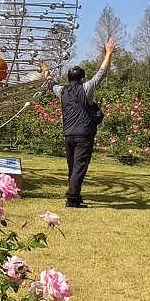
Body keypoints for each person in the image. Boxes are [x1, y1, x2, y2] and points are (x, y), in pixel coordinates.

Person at [40, 37, 115, 208]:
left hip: (68, 134)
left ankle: (76, 195)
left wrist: (45, 69)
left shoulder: (63, 91)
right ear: (82, 79)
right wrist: (109, 53)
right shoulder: (86, 88)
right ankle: (72, 199)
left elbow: (50, 83)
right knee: (80, 166)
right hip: (83, 134)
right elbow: (101, 73)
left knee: (73, 166)